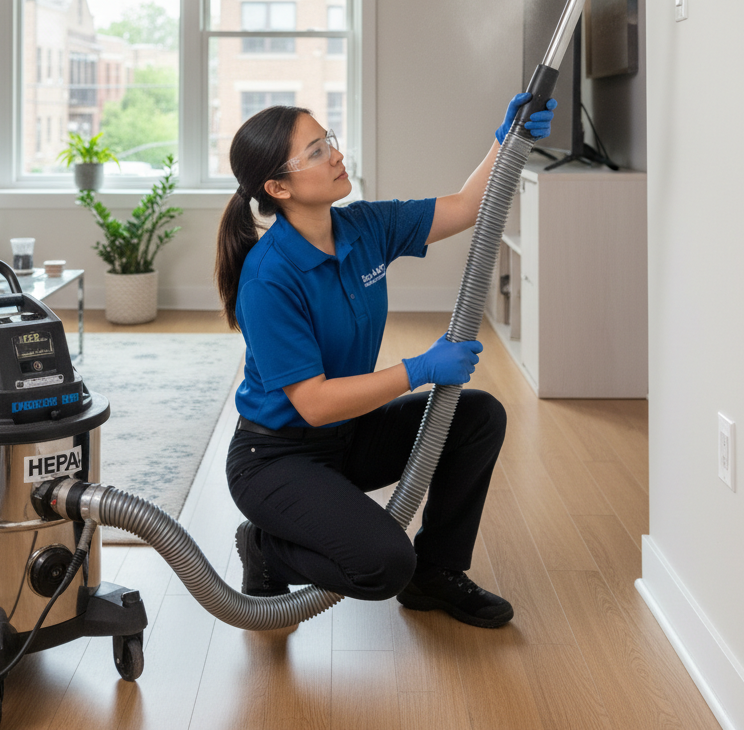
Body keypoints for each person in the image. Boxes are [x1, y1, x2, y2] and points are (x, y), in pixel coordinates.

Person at [216, 94, 555, 627]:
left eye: (328, 141)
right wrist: (418, 369)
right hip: (276, 459)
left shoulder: (364, 227)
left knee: (478, 416)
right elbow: (314, 404)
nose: (336, 155)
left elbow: (467, 206)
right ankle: (264, 548)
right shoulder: (268, 278)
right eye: (316, 151)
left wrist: (509, 139)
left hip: (348, 437)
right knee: (383, 565)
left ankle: (435, 574)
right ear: (278, 188)